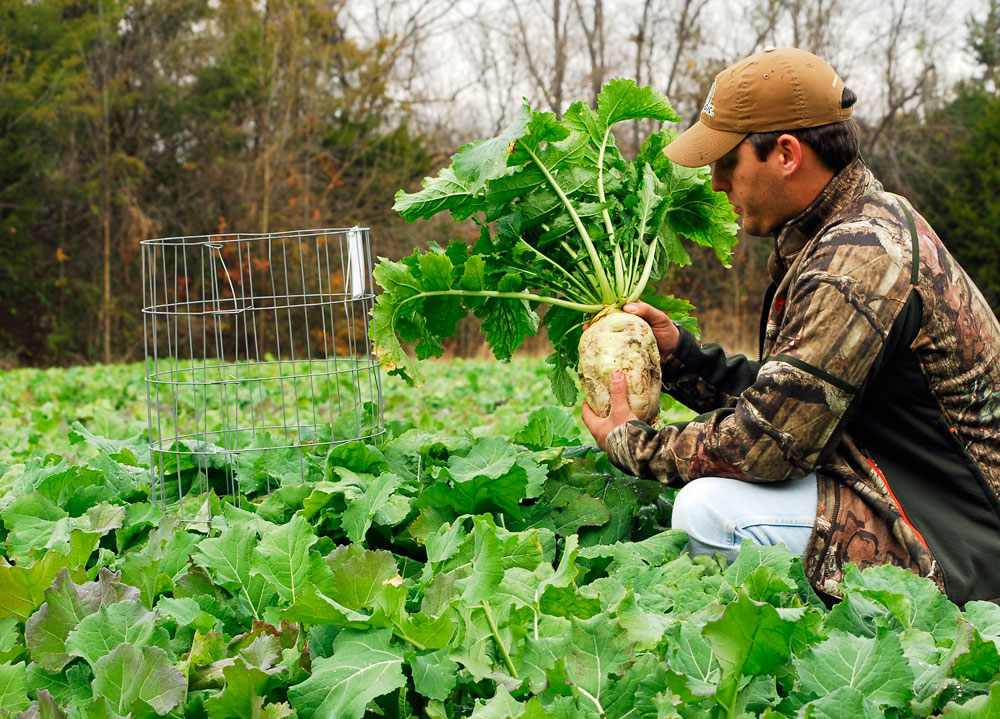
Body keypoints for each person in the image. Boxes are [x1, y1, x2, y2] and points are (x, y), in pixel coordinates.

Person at [582, 46, 1000, 605]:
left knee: (709, 512)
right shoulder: (836, 230)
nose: (715, 184)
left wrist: (631, 444)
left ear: (785, 154)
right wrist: (681, 355)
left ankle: (826, 644)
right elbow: (796, 402)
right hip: (892, 486)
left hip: (957, 543)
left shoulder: (861, 256)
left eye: (726, 162)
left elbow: (765, 445)